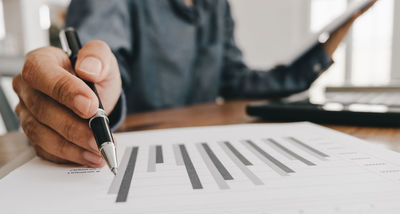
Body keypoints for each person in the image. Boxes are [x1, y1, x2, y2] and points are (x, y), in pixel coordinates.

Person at [12, 0, 376, 168]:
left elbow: (237, 79)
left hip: (205, 151)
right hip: (135, 149)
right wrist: (91, 83)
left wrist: (324, 49)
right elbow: (101, 60)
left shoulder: (216, 6)